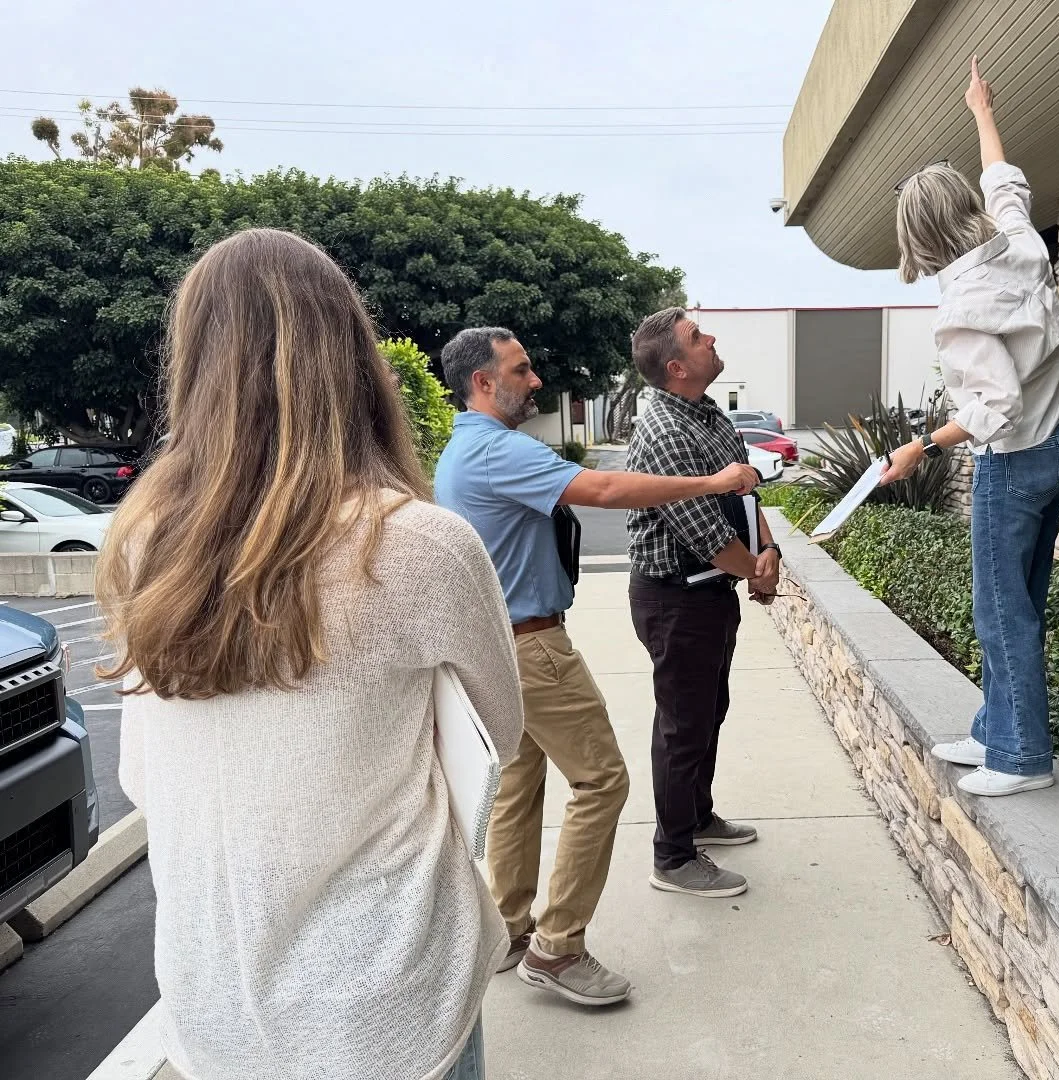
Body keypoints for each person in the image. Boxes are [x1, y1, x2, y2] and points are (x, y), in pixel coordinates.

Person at [98, 228, 524, 1080]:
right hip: (390, 1006)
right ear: (353, 358)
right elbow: (499, 737)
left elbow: (141, 775)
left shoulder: (141, 538)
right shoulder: (420, 546)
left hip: (209, 998)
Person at [433, 327, 759, 1005]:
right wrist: (713, 481)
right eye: (521, 371)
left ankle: (512, 927)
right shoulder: (496, 451)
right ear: (483, 383)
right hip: (533, 646)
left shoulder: (465, 448)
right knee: (602, 781)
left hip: (500, 646)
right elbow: (606, 489)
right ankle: (558, 948)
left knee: (520, 785)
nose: (535, 381)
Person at [881, 57, 1059, 797]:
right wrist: (981, 110)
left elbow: (993, 405)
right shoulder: (1020, 242)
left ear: (917, 236)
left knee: (1001, 612)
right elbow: (1006, 182)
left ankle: (1022, 757)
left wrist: (921, 444)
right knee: (1019, 600)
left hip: (1018, 460)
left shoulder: (960, 304)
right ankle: (996, 729)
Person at [625, 308, 782, 898]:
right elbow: (704, 534)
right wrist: (756, 573)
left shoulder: (708, 412)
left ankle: (698, 818)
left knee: (709, 707)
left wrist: (765, 549)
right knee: (682, 724)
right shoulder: (665, 433)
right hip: (674, 600)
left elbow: (744, 494)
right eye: (697, 337)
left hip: (710, 593)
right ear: (675, 367)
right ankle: (672, 855)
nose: (711, 338)